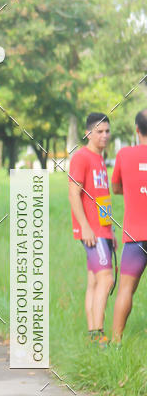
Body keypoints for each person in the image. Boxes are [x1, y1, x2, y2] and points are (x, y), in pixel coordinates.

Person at [68, 112, 116, 344]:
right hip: (91, 232)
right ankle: (98, 335)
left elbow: (102, 198)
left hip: (103, 230)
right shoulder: (82, 157)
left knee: (95, 282)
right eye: (99, 131)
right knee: (107, 279)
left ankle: (92, 335)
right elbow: (73, 194)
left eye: (107, 131)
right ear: (88, 133)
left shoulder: (100, 160)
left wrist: (111, 231)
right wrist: (85, 228)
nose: (104, 135)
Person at [110, 108, 147, 341]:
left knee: (125, 290)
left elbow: (115, 188)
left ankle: (115, 342)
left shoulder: (124, 155)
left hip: (134, 236)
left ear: (136, 129)